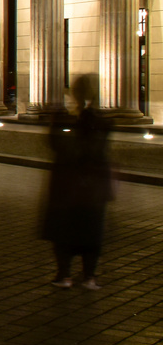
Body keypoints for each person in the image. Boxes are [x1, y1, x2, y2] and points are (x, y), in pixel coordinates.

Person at [41, 74, 113, 290]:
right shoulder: (101, 121)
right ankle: (89, 276)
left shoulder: (65, 119)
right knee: (91, 230)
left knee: (63, 230)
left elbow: (57, 145)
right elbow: (99, 151)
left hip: (66, 183)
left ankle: (64, 274)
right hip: (92, 185)